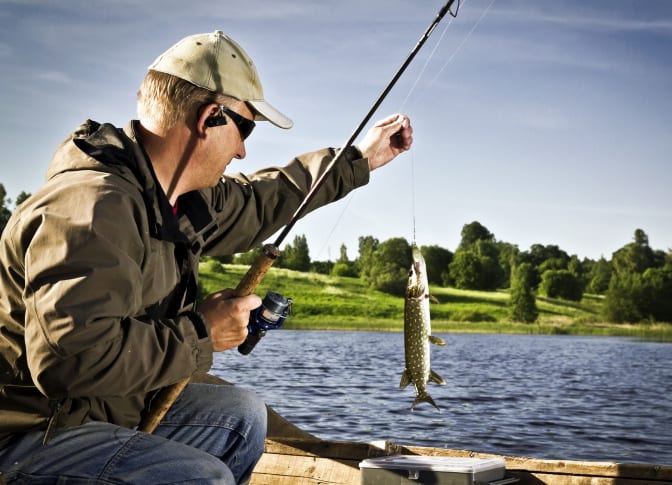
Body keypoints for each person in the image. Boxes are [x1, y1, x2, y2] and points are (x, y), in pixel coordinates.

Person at [0, 30, 412, 483]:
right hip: (31, 434)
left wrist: (360, 160)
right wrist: (201, 331)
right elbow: (71, 362)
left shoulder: (174, 200)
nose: (242, 150)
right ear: (210, 117)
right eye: (245, 128)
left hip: (101, 411)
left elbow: (263, 198)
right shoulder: (94, 207)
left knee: (240, 417)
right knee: (200, 475)